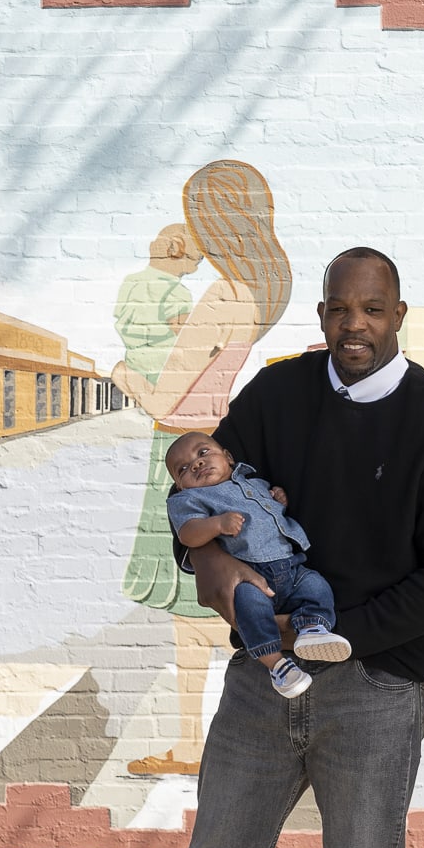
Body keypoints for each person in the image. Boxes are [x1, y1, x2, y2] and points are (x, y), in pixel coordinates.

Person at [182, 248, 424, 848]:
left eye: (373, 309)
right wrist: (207, 559)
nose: (356, 324)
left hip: (375, 688)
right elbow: (194, 486)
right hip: (262, 673)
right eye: (341, 309)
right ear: (322, 315)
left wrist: (340, 633)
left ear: (398, 314)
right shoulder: (276, 394)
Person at [121, 160, 293, 777]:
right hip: (213, 449)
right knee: (211, 600)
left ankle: (196, 744)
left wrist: (124, 375)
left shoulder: (220, 297)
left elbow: (166, 399)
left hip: (178, 449)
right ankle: (208, 740)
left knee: (193, 603)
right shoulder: (252, 295)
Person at [165, 431, 352, 699]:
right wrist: (216, 524)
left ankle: (313, 629)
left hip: (290, 568)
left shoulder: (253, 482)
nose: (196, 464)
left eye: (203, 453)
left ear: (228, 458)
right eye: (183, 468)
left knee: (316, 586)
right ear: (180, 485)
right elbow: (188, 534)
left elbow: (269, 509)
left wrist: (276, 497)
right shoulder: (188, 500)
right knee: (250, 611)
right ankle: (277, 666)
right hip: (249, 576)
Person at [112, 223, 203, 387]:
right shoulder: (178, 292)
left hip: (134, 363)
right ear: (175, 249)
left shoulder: (130, 281)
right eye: (199, 255)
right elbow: (183, 337)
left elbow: (121, 320)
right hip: (165, 372)